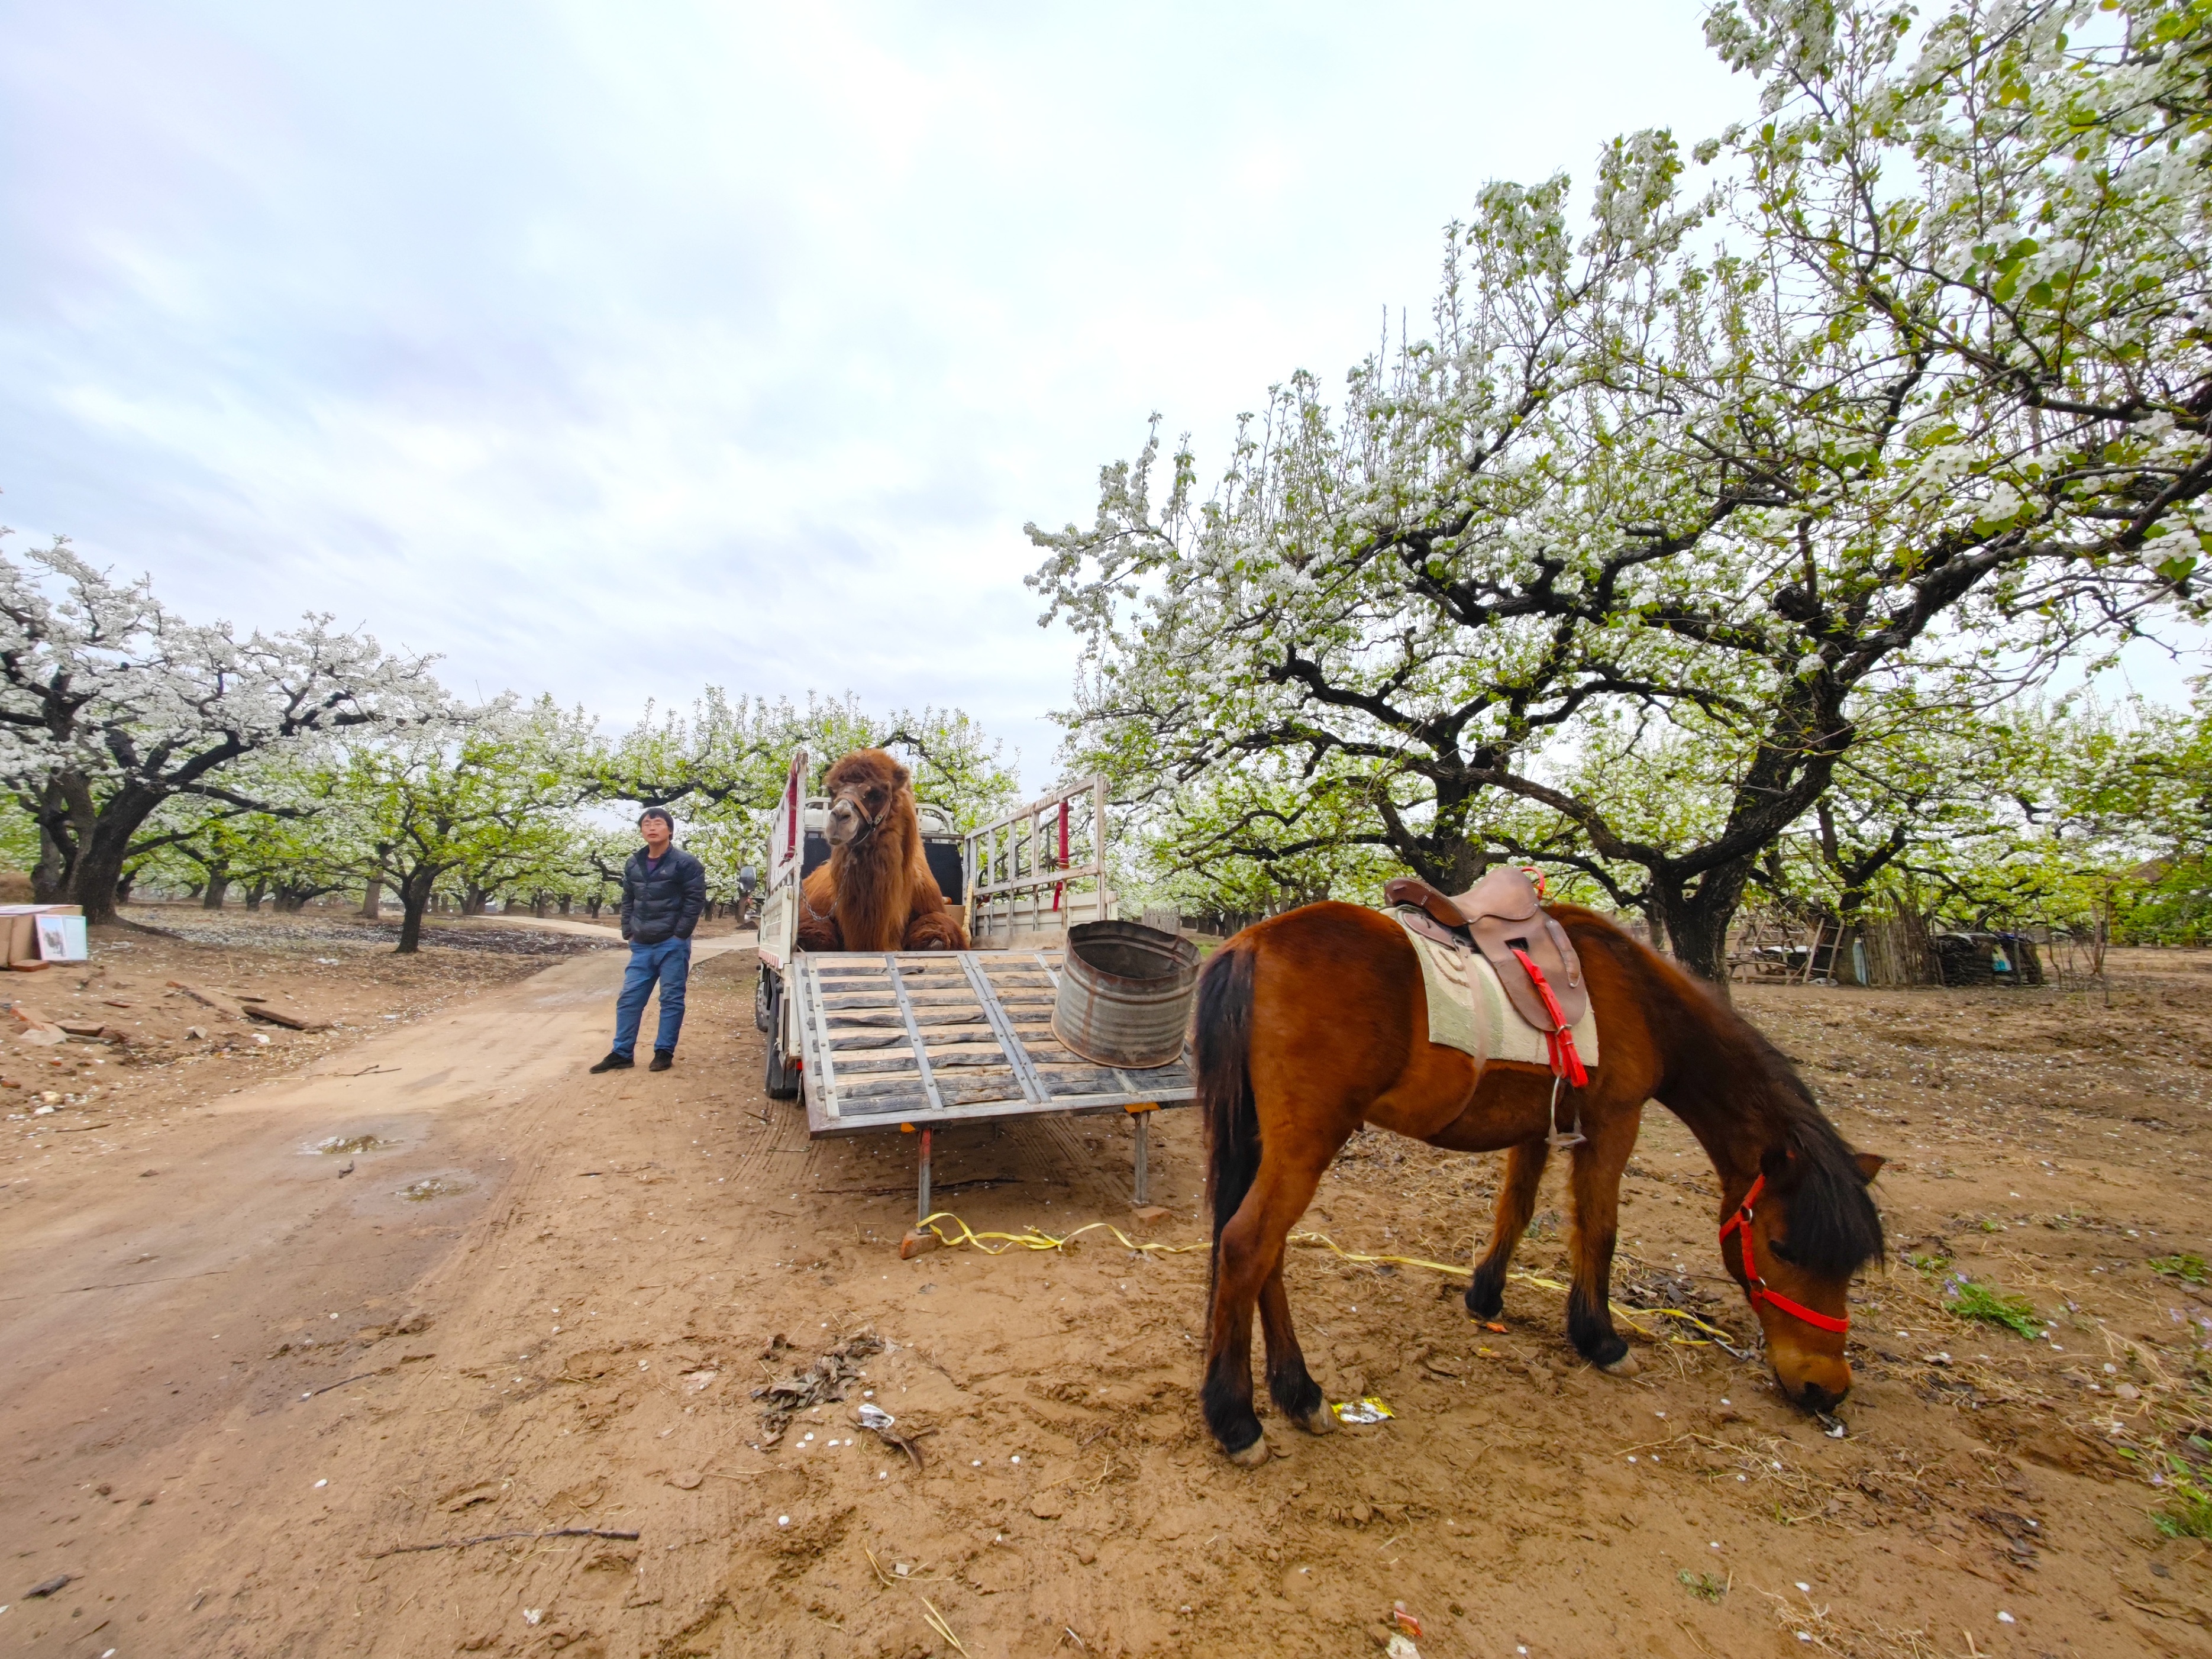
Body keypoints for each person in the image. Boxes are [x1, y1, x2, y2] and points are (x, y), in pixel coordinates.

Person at [592, 808, 706, 1073]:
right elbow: (628, 898)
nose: (652, 828)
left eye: (658, 823)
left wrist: (680, 934)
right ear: (642, 830)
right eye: (646, 824)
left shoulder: (686, 863)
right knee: (629, 999)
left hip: (672, 944)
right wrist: (628, 930)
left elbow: (695, 901)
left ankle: (664, 1052)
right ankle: (622, 1053)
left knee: (671, 999)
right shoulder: (634, 863)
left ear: (670, 830)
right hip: (641, 943)